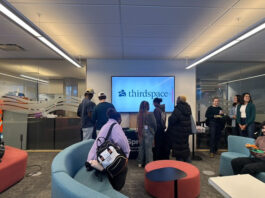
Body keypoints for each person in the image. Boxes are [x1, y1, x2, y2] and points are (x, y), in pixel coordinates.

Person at [87, 108, 130, 191]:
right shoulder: (115, 126)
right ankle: (115, 190)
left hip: (92, 159)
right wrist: (126, 157)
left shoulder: (106, 125)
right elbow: (125, 145)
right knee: (123, 167)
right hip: (98, 162)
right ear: (119, 119)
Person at [167, 96, 192, 162]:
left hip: (178, 133)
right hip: (185, 132)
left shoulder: (178, 109)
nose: (176, 100)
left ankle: (180, 168)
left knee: (179, 151)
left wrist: (169, 118)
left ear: (179, 100)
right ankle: (188, 166)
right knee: (185, 148)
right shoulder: (188, 108)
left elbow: (172, 120)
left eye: (177, 99)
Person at [137, 101, 157, 167]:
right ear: (148, 106)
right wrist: (154, 132)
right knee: (148, 149)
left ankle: (140, 163)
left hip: (141, 132)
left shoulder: (139, 114)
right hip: (149, 132)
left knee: (141, 148)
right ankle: (149, 163)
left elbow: (138, 125)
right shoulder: (150, 114)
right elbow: (154, 124)